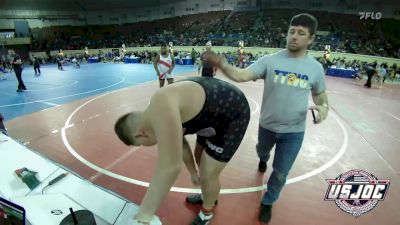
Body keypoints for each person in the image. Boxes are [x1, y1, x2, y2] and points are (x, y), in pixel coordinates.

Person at [203, 13, 329, 223]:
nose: (294, 37)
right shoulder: (270, 61)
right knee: (262, 150)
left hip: (294, 132)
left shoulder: (315, 68)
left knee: (280, 173)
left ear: (311, 38)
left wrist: (323, 108)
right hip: (267, 127)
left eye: (301, 33)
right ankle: (263, 158)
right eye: (291, 32)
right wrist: (222, 64)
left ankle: (268, 202)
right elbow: (242, 75)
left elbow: (320, 95)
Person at [114, 76, 250, 225]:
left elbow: (170, 167)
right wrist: (192, 172)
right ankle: (208, 194)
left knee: (208, 172)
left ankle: (207, 212)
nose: (146, 145)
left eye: (140, 144)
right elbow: (180, 143)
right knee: (199, 158)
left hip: (232, 115)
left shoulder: (161, 109)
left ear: (140, 134)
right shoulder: (156, 114)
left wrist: (144, 215)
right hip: (211, 115)